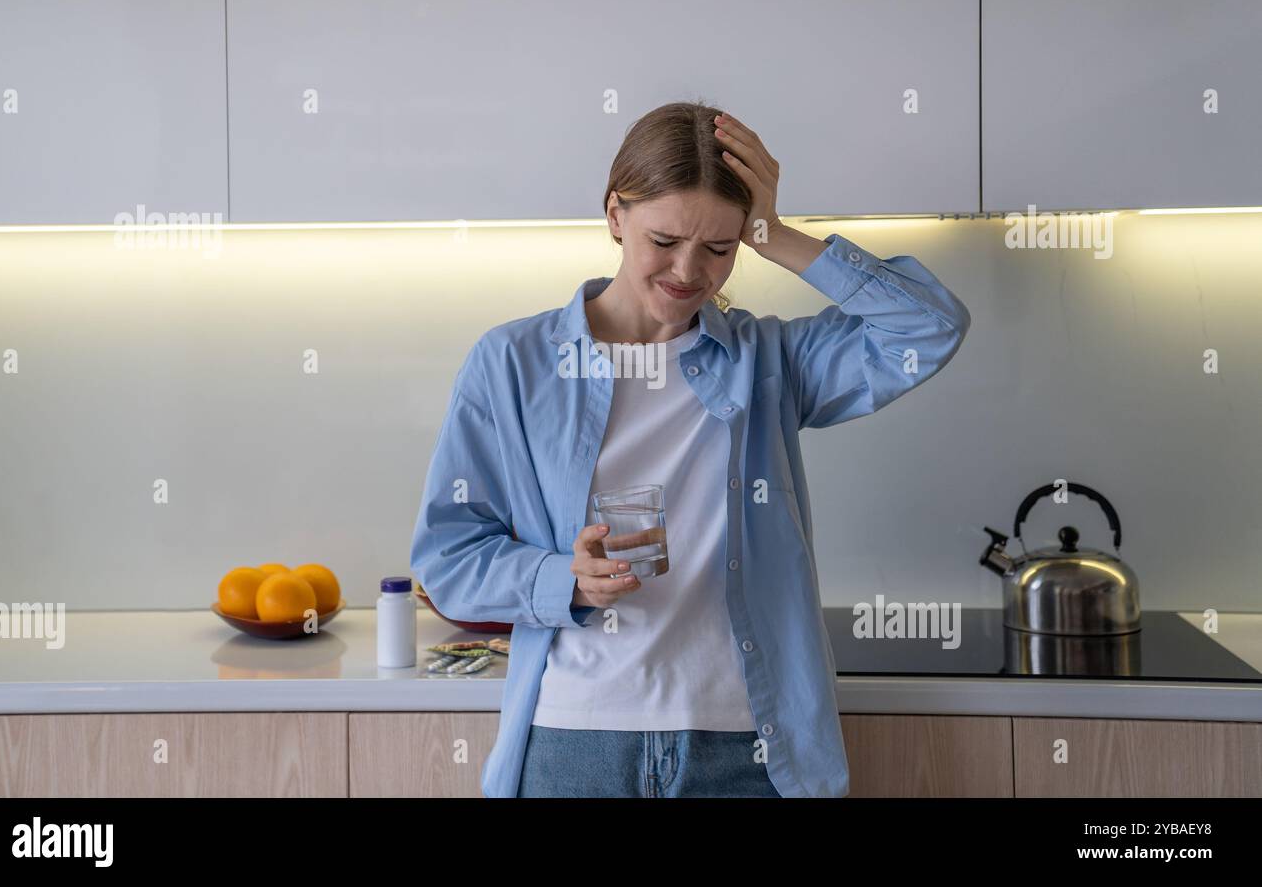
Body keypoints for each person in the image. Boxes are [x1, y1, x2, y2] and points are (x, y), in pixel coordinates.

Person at [410, 101, 972, 797]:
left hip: (746, 745)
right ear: (615, 214)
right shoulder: (512, 364)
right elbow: (448, 559)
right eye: (664, 239)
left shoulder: (768, 362)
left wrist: (779, 236)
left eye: (720, 248)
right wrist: (564, 578)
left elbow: (930, 328)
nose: (687, 271)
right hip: (573, 742)